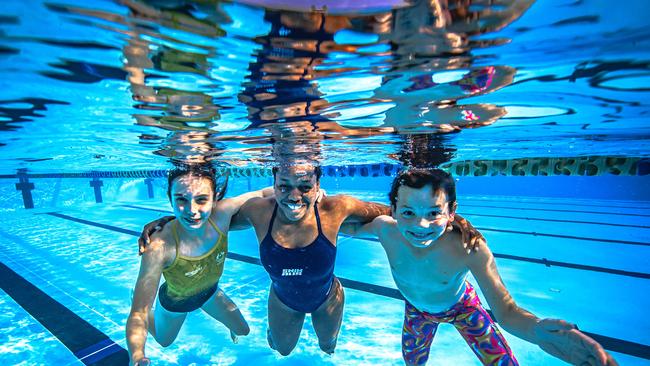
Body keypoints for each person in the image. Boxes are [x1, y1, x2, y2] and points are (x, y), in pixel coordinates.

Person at [139, 162, 484, 357]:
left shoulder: (336, 208)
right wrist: (168, 224)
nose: (294, 196)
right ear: (273, 182)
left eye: (304, 186)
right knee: (283, 351)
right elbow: (206, 219)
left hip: (327, 298)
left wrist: (450, 224)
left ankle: (323, 338)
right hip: (283, 300)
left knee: (328, 347)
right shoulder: (259, 212)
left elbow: (393, 214)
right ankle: (278, 335)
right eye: (284, 185)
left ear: (318, 185)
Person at [341, 169, 618, 366]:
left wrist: (535, 331)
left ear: (451, 212)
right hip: (417, 311)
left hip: (464, 310)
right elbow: (346, 227)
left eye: (434, 213)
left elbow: (507, 312)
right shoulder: (384, 229)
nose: (420, 226)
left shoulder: (469, 248)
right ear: (393, 209)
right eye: (408, 212)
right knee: (412, 361)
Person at [126, 164, 272, 366]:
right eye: (181, 200)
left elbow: (264, 193)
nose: (192, 211)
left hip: (210, 293)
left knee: (243, 330)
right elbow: (138, 313)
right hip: (176, 303)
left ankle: (227, 321)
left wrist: (317, 196)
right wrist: (137, 355)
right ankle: (140, 300)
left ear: (215, 199)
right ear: (170, 199)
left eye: (201, 199)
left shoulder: (222, 214)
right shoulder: (159, 246)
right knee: (164, 341)